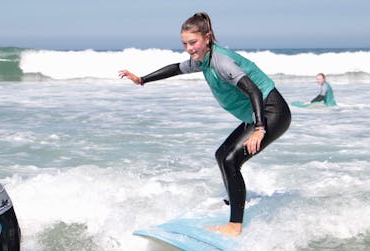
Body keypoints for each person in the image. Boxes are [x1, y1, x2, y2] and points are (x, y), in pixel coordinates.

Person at [119, 12, 291, 237]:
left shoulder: (222, 63)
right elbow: (175, 68)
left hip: (272, 112)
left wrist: (260, 129)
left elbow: (254, 90)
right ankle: (235, 201)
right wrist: (142, 79)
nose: (189, 48)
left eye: (193, 42)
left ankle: (234, 226)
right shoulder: (202, 60)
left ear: (207, 38)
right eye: (185, 44)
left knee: (231, 160)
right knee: (222, 155)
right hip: (258, 114)